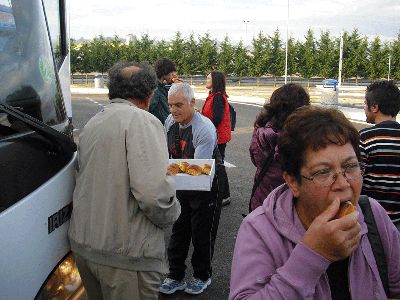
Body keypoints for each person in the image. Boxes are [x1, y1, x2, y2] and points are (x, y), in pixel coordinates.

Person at [230, 106, 400, 299]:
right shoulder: (258, 230)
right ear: (293, 182)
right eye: (323, 172)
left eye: (351, 166)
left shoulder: (372, 214)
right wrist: (312, 254)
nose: (343, 184)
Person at [68, 61, 181, 300]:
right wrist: (174, 213)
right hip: (127, 257)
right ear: (150, 94)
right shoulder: (144, 121)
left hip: (86, 247)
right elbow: (154, 196)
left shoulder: (93, 122)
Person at [159, 83, 224, 295]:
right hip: (182, 182)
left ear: (193, 103)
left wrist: (165, 171)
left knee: (201, 233)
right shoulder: (170, 121)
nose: (174, 110)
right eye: (170, 105)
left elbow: (198, 172)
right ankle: (175, 275)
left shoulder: (204, 128)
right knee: (178, 231)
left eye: (179, 105)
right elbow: (168, 157)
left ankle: (202, 276)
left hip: (206, 185)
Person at [249, 83, 310, 211]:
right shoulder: (301, 138)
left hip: (263, 198)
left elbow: (255, 160)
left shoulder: (261, 130)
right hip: (291, 203)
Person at [360, 80, 400, 230]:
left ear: (374, 107)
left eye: (365, 104)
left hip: (372, 222)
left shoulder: (365, 137)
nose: (364, 108)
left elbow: (356, 178)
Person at [202, 70, 231, 205]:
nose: (206, 80)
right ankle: (220, 193)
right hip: (215, 136)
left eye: (208, 78)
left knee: (218, 166)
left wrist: (206, 128)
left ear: (215, 81)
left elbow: (217, 118)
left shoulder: (218, 97)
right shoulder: (213, 95)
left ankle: (224, 195)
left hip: (217, 137)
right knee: (216, 165)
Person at [148, 58, 181, 124]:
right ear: (165, 72)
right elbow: (150, 107)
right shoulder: (155, 88)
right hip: (159, 124)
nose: (173, 75)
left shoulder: (161, 86)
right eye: (171, 72)